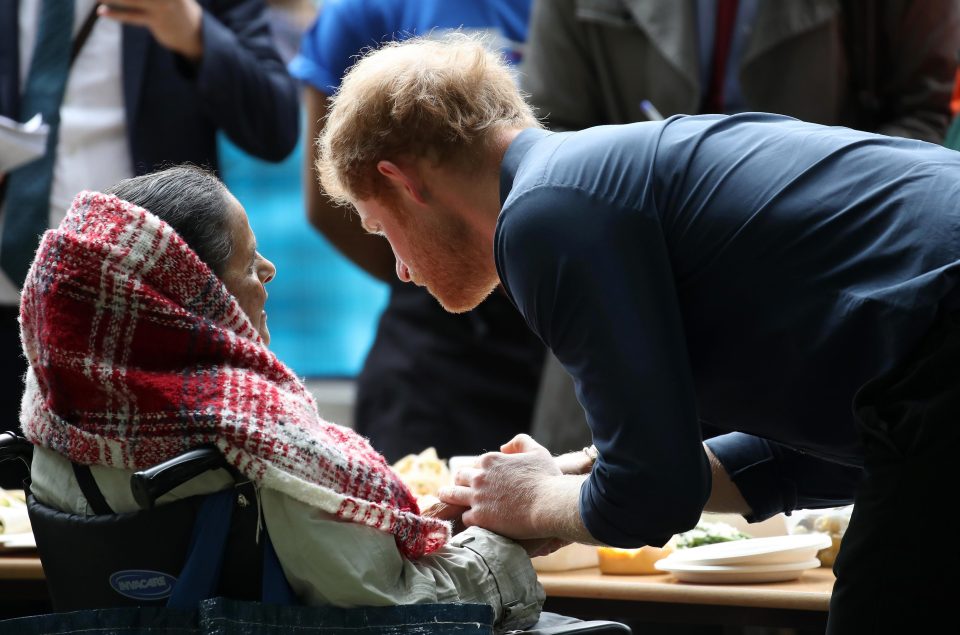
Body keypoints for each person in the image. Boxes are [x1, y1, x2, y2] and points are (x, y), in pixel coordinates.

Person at [316, 34, 960, 633]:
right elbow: (837, 446)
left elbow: (652, 499)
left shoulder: (543, 216)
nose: (400, 268)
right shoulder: (604, 180)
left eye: (380, 228)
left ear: (401, 181)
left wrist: (545, 501)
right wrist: (579, 476)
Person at [18, 166, 545, 632]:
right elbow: (393, 606)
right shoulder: (250, 441)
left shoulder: (54, 426)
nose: (269, 273)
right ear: (195, 296)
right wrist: (512, 539)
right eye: (249, 264)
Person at [522, 0, 960, 453]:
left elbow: (921, 113)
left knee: (801, 506)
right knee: (596, 492)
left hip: (818, 311)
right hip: (620, 307)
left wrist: (802, 207)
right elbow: (553, 133)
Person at [0, 0, 299, 488]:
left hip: (144, 326)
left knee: (137, 532)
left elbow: (275, 123)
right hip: (7, 301)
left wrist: (194, 31)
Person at [288, 0, 544, 462]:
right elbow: (335, 193)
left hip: (556, 298)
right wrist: (431, 266)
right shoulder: (362, 12)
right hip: (439, 336)